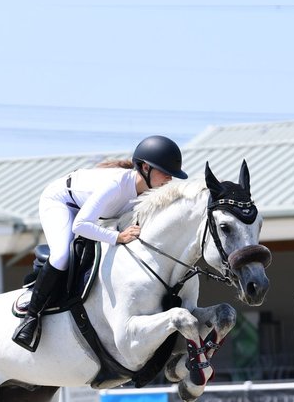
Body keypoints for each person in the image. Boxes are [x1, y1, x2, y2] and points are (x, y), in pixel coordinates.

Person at [12, 135, 188, 351]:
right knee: (62, 255)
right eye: (166, 173)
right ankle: (31, 318)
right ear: (145, 168)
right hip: (61, 203)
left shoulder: (146, 193)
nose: (169, 180)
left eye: (172, 175)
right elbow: (81, 225)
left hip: (89, 212)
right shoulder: (116, 186)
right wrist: (118, 237)